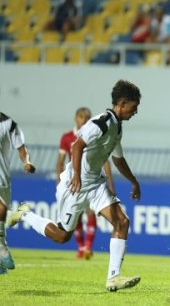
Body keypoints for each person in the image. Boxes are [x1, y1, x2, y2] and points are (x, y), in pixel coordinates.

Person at [8, 80, 142, 292]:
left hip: (96, 185)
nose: (136, 111)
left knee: (122, 222)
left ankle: (113, 277)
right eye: (134, 107)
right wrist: (77, 176)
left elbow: (118, 159)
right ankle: (25, 214)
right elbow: (76, 146)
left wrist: (133, 181)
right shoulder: (101, 123)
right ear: (123, 103)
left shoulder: (117, 128)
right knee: (62, 236)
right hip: (75, 186)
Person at [56, 107, 115, 260]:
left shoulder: (94, 134)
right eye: (81, 116)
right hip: (73, 180)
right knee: (75, 215)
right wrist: (59, 182)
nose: (84, 119)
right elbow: (60, 162)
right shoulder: (67, 137)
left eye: (87, 117)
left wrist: (110, 183)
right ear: (76, 118)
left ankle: (88, 246)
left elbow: (105, 161)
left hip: (90, 179)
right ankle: (81, 246)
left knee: (90, 212)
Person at [0, 113, 36, 276]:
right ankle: (2, 247)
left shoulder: (8, 124)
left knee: (2, 210)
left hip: (2, 178)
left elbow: (21, 148)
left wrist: (26, 162)